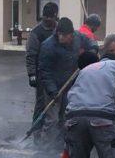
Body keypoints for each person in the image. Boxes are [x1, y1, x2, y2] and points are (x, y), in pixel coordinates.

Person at [37, 17, 92, 146]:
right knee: (53, 119)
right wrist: (52, 90)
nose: (61, 38)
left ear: (71, 34)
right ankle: (46, 148)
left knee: (66, 117)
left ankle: (60, 145)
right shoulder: (48, 46)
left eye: (64, 35)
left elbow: (90, 42)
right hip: (53, 87)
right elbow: (45, 71)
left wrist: (93, 50)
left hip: (69, 85)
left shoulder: (78, 37)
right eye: (59, 34)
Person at [25, 1, 59, 138]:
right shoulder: (36, 33)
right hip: (41, 74)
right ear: (43, 16)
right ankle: (37, 133)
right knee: (41, 105)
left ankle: (55, 135)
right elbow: (31, 55)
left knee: (57, 106)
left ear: (56, 16)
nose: (48, 19)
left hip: (58, 74)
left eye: (51, 17)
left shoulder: (59, 29)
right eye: (46, 17)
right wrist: (32, 74)